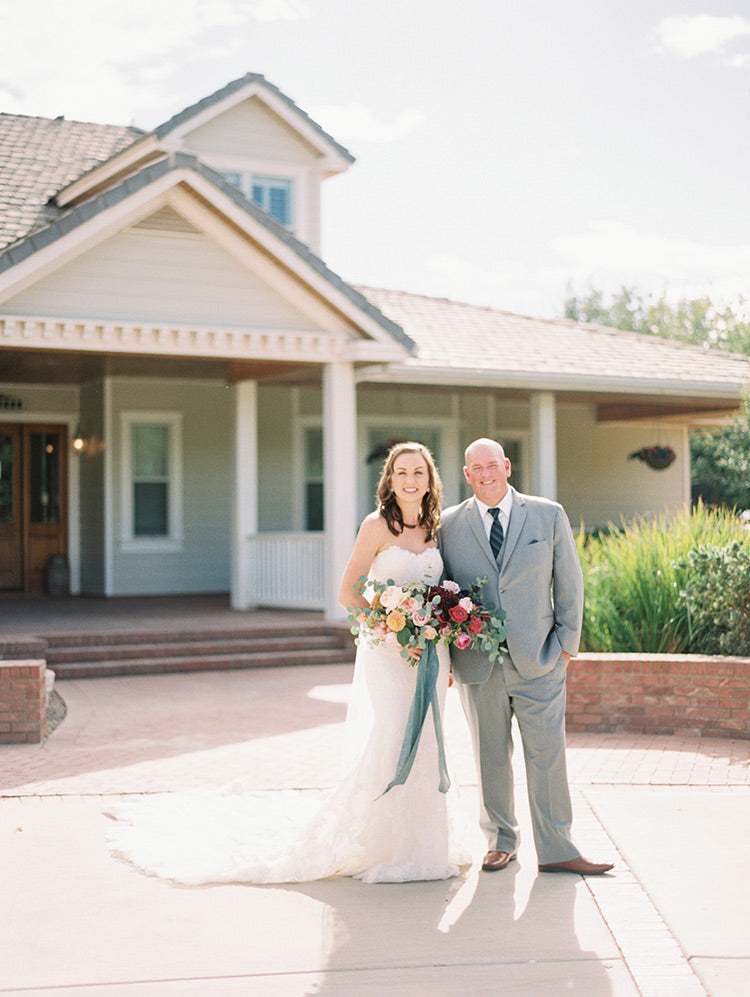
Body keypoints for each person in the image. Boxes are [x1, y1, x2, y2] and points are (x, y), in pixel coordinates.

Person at [105, 441, 471, 885]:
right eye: (401, 473)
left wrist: (438, 638)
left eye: (419, 472)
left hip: (432, 654)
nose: (411, 480)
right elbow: (348, 593)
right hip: (390, 654)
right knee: (394, 737)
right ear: (389, 481)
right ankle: (386, 846)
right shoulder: (376, 526)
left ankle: (425, 847)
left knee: (430, 740)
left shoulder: (436, 529)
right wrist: (396, 630)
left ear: (430, 479)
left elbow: (444, 592)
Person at [439, 438, 613, 876]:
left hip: (540, 659)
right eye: (476, 467)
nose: (485, 473)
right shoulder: (448, 525)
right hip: (478, 664)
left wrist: (567, 646)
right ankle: (501, 841)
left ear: (507, 466)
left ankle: (558, 849)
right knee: (490, 757)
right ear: (466, 474)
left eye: (492, 464)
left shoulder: (547, 513)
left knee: (547, 755)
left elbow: (569, 582)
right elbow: (440, 593)